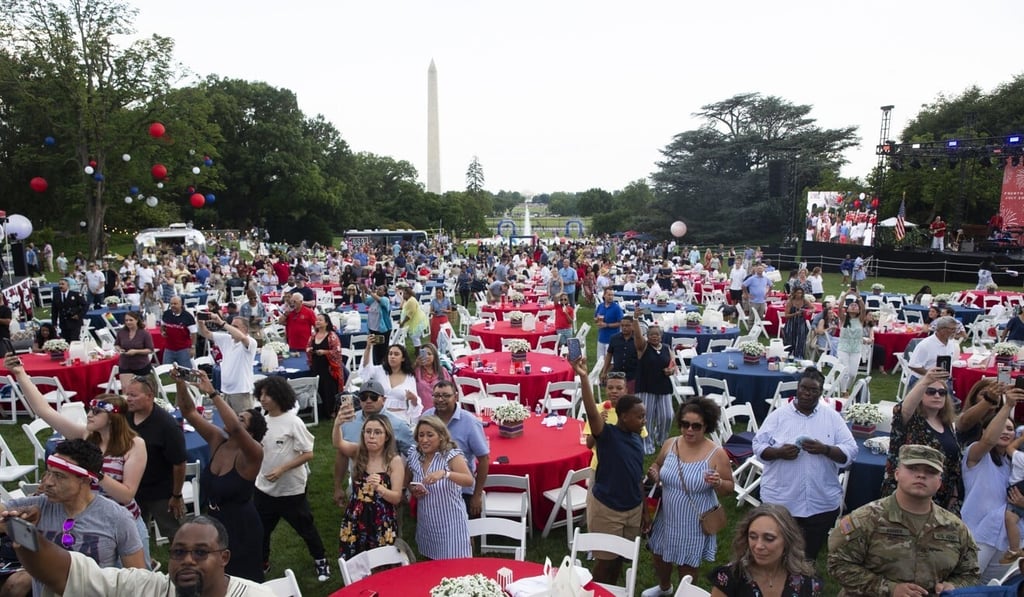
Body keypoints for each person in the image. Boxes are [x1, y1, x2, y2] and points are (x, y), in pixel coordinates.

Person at [6, 354, 150, 565]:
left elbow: (127, 495)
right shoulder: (85, 436)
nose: (89, 415)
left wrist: (93, 473)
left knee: (133, 580)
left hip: (123, 521)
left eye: (96, 412)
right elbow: (43, 410)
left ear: (113, 418)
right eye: (90, 409)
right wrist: (20, 374)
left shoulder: (135, 445)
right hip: (87, 519)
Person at [828, 444, 979, 595]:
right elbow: (838, 564)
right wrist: (889, 589)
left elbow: (970, 573)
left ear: (939, 482)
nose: (921, 475)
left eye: (930, 472)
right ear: (897, 474)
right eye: (913, 468)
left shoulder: (955, 528)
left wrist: (954, 586)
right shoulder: (866, 518)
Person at [1, 439, 145, 596]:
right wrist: (17, 521)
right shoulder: (37, 507)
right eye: (48, 472)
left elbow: (138, 580)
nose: (47, 482)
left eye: (59, 476)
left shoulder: (117, 518)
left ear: (84, 479)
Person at [7, 515, 275, 596]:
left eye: (201, 552)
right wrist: (25, 538)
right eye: (179, 552)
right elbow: (66, 573)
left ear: (224, 558)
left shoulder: (256, 595)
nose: (188, 560)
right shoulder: (148, 588)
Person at [752, 368, 858, 561]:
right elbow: (758, 445)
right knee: (776, 555)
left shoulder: (832, 418)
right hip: (782, 502)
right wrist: (778, 452)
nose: (807, 393)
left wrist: (825, 449)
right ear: (797, 388)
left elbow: (851, 451)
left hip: (820, 503)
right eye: (803, 388)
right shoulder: (779, 416)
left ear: (821, 392)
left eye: (813, 390)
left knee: (808, 557)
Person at [173, 371, 267, 582]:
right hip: (214, 522)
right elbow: (188, 411)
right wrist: (180, 383)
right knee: (213, 578)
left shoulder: (253, 454)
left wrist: (213, 393)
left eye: (242, 418)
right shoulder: (218, 439)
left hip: (241, 527)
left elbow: (233, 426)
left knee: (241, 581)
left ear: (249, 434)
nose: (235, 418)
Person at [642, 398, 734, 597]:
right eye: (684, 424)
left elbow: (729, 488)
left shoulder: (717, 454)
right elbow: (657, 465)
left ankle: (685, 594)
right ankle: (665, 588)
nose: (689, 430)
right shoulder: (670, 444)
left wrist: (718, 483)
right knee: (659, 555)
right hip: (666, 516)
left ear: (706, 425)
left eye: (695, 426)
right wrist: (655, 473)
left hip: (694, 521)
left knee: (687, 565)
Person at [572, 355, 647, 587]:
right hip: (608, 509)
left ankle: (612, 592)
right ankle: (593, 591)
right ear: (624, 417)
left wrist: (643, 511)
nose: (644, 420)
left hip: (633, 508)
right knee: (605, 563)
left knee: (620, 561)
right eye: (640, 416)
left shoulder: (636, 438)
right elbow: (591, 411)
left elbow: (637, 475)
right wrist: (584, 377)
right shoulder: (607, 435)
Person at [252, 376, 331, 581]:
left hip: (291, 490)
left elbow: (308, 453)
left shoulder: (293, 422)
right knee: (260, 531)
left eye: (267, 394)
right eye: (261, 394)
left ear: (279, 396)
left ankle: (321, 561)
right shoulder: (262, 419)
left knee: (305, 527)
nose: (263, 399)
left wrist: (281, 469)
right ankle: (262, 562)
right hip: (264, 489)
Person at [879, 367, 964, 515]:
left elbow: (953, 463)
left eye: (942, 393)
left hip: (941, 496)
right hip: (908, 495)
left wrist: (955, 494)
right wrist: (926, 381)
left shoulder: (947, 424)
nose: (937, 395)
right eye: (930, 391)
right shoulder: (912, 421)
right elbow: (902, 410)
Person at [124, 373, 187, 553]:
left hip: (161, 492)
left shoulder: (167, 426)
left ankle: (184, 565)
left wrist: (176, 496)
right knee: (133, 533)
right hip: (133, 488)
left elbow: (179, 463)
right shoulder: (126, 417)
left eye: (133, 395)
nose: (128, 399)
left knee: (176, 534)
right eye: (127, 394)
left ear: (150, 396)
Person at [709, 504, 823, 597]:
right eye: (753, 537)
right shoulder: (730, 577)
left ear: (787, 541)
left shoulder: (807, 583)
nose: (758, 546)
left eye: (769, 539)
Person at [333, 412, 404, 560]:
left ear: (387, 436)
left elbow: (397, 497)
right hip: (356, 515)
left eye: (377, 432)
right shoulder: (358, 452)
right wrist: (337, 424)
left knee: (381, 561)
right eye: (368, 431)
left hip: (381, 519)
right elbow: (338, 443)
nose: (371, 436)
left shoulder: (393, 461)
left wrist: (380, 488)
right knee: (354, 559)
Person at [333, 380, 415, 509]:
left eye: (374, 397)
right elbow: (341, 451)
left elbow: (413, 456)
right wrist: (337, 487)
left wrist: (404, 485)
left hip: (389, 487)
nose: (368, 401)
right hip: (357, 484)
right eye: (364, 397)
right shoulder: (348, 421)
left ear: (384, 399)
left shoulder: (399, 425)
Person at [407, 415, 474, 559]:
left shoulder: (450, 456)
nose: (424, 440)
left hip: (451, 522)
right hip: (427, 521)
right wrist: (413, 490)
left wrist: (445, 473)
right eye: (421, 435)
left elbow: (469, 480)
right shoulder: (414, 454)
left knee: (454, 566)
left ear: (441, 436)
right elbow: (408, 481)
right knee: (430, 565)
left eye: (430, 435)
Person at [421, 380, 490, 518]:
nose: (440, 399)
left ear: (456, 397)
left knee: (465, 534)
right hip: (431, 487)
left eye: (446, 396)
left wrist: (476, 496)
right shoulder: (426, 417)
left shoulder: (470, 422)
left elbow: (484, 459)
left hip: (461, 489)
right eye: (436, 395)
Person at [632, 319, 675, 454]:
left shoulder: (667, 348)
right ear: (647, 336)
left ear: (661, 336)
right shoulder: (643, 347)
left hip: (663, 386)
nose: (654, 337)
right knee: (647, 417)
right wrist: (635, 321)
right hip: (646, 386)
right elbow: (638, 336)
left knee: (667, 415)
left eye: (657, 334)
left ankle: (661, 439)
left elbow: (672, 365)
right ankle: (646, 443)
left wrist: (671, 371)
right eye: (651, 335)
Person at [359, 343, 421, 424]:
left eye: (396, 354)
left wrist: (413, 398)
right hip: (380, 417)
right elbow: (366, 370)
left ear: (403, 358)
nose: (392, 356)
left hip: (401, 418)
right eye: (390, 354)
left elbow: (415, 403)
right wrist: (368, 348)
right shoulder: (379, 370)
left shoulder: (409, 377)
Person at [907, 316, 958, 385]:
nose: (955, 331)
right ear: (941, 329)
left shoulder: (951, 342)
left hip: (943, 381)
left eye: (955, 329)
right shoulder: (925, 345)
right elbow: (913, 365)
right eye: (952, 329)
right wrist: (931, 375)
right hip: (923, 381)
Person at [835, 298, 870, 394]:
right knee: (845, 372)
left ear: (859, 310)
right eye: (851, 305)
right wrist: (846, 295)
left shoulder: (861, 319)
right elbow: (839, 307)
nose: (854, 306)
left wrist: (858, 297)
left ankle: (846, 388)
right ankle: (843, 392)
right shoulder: (843, 318)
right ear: (847, 309)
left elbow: (863, 308)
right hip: (843, 348)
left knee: (853, 374)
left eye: (856, 306)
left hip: (856, 349)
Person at [115, 311, 155, 391]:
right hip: (125, 364)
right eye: (126, 320)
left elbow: (150, 350)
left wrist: (136, 351)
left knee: (142, 390)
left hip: (141, 364)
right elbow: (117, 344)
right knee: (126, 388)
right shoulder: (121, 332)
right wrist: (119, 349)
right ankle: (127, 403)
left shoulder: (144, 334)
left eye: (131, 320)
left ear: (136, 320)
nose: (128, 322)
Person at [600, 313, 638, 393]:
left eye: (627, 325)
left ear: (633, 326)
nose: (624, 328)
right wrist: (604, 371)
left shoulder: (637, 340)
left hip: (632, 375)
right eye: (623, 325)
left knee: (630, 399)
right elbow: (609, 355)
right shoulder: (614, 338)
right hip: (617, 374)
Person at [412, 343, 451, 412]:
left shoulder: (442, 371)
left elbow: (450, 390)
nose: (426, 356)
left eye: (429, 354)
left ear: (434, 356)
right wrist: (416, 364)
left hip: (442, 409)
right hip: (422, 411)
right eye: (424, 354)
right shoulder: (416, 371)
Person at [160, 296, 197, 368]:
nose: (173, 306)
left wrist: (193, 347)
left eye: (175, 304)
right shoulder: (166, 314)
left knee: (186, 371)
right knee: (166, 370)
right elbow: (162, 325)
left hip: (183, 349)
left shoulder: (188, 317)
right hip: (169, 348)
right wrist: (162, 332)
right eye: (171, 304)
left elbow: (194, 333)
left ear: (181, 304)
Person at [780, 287, 813, 360]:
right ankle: (787, 356)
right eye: (798, 293)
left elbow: (813, 307)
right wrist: (795, 314)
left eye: (801, 293)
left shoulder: (804, 300)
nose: (799, 294)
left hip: (801, 323)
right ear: (794, 293)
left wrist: (810, 311)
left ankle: (798, 357)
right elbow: (786, 315)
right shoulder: (790, 302)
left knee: (800, 341)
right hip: (791, 324)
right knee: (789, 341)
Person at [364, 285, 392, 366]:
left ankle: (384, 367)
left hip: (382, 330)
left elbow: (380, 300)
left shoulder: (385, 299)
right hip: (373, 329)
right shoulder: (372, 299)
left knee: (382, 350)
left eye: (380, 289)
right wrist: (363, 291)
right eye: (378, 289)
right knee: (375, 349)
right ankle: (376, 366)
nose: (378, 290)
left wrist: (370, 292)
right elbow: (365, 301)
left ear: (384, 292)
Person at [595, 288, 624, 363]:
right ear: (604, 295)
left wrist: (607, 325)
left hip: (612, 339)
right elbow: (595, 318)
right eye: (609, 295)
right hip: (601, 338)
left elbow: (621, 323)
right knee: (600, 361)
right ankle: (601, 374)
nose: (611, 297)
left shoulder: (616, 308)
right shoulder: (600, 306)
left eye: (612, 295)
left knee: (610, 362)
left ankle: (607, 374)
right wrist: (597, 320)